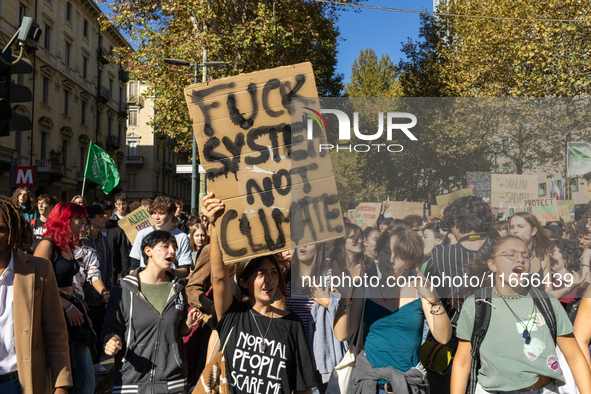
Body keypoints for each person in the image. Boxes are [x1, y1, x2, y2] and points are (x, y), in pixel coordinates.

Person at [203, 192, 321, 394]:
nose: (269, 280)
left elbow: (303, 388)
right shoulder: (233, 315)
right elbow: (219, 277)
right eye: (261, 274)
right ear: (243, 282)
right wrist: (214, 226)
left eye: (274, 273)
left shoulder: (292, 324)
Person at [451, 236, 591, 394]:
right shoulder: (476, 305)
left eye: (526, 255)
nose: (520, 259)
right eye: (511, 254)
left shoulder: (548, 303)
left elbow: (575, 359)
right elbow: (462, 362)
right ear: (492, 264)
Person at [333, 224, 452, 393]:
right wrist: (345, 297)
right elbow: (341, 334)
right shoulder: (364, 289)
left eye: (399, 256)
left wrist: (434, 301)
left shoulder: (420, 291)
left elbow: (444, 337)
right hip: (369, 385)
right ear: (378, 252)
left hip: (409, 385)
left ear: (410, 262)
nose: (390, 260)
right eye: (386, 252)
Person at [103, 230, 202, 394]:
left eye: (174, 247)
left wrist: (188, 324)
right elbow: (111, 326)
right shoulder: (124, 287)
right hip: (132, 381)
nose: (172, 251)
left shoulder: (178, 288)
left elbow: (180, 330)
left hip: (172, 382)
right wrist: (112, 340)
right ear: (148, 251)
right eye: (165, 246)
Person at [0, 195, 72, 394]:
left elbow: (55, 331)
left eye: (0, 229)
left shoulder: (39, 269)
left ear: (12, 231)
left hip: (19, 382)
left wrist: (61, 384)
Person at [33, 202, 95, 394]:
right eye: (79, 218)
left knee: (85, 373)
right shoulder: (46, 244)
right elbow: (36, 286)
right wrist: (66, 305)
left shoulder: (68, 243)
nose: (83, 223)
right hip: (55, 313)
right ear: (64, 220)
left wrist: (80, 308)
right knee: (66, 373)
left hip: (73, 311)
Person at [80, 205, 113, 375]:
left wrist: (107, 289)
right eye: (101, 216)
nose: (105, 218)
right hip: (85, 297)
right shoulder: (82, 242)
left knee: (100, 328)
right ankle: (88, 363)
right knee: (87, 332)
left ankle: (96, 362)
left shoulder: (104, 239)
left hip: (101, 296)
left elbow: (108, 267)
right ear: (91, 220)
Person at [129, 196, 192, 278]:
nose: (156, 217)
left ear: (172, 214)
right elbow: (134, 266)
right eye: (154, 213)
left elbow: (185, 270)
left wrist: (166, 271)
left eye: (161, 213)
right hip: (145, 284)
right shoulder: (142, 233)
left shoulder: (182, 237)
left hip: (170, 285)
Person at [94, 200, 131, 279]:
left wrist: (126, 275)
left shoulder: (118, 230)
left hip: (112, 274)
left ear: (110, 213)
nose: (104, 217)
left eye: (105, 213)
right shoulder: (90, 231)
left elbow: (124, 254)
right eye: (100, 215)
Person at [550, 239, 588, 306]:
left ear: (566, 259)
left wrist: (586, 262)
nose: (549, 257)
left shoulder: (579, 277)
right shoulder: (547, 280)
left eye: (552, 253)